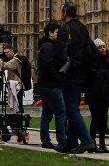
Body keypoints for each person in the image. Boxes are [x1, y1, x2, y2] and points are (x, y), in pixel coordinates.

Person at [55, 1, 97, 154]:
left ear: (65, 12)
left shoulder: (64, 29)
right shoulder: (82, 27)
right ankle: (71, 143)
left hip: (69, 73)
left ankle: (86, 141)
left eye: (61, 11)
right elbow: (91, 50)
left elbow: (60, 53)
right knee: (72, 107)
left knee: (71, 109)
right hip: (82, 73)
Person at [35, 21, 67, 152]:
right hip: (50, 85)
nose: (58, 36)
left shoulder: (45, 46)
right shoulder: (48, 46)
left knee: (47, 113)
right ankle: (62, 140)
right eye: (57, 33)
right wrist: (58, 77)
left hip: (44, 85)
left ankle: (46, 140)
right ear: (50, 33)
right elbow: (48, 65)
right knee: (61, 113)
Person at [87, 38, 109, 153]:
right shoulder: (93, 61)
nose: (103, 49)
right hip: (94, 94)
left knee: (103, 120)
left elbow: (108, 75)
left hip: (104, 93)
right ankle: (92, 143)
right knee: (96, 119)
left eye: (103, 46)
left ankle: (102, 144)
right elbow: (95, 75)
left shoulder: (107, 60)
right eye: (100, 47)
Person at [0, 45, 26, 113]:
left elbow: (6, 65)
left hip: (17, 86)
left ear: (11, 51)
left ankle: (18, 120)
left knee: (18, 106)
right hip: (15, 86)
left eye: (7, 52)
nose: (5, 54)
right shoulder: (12, 59)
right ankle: (16, 118)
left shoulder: (16, 60)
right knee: (16, 105)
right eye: (4, 53)